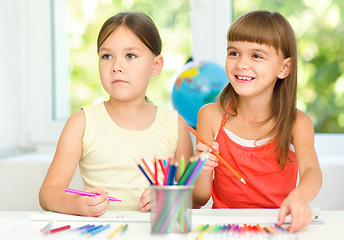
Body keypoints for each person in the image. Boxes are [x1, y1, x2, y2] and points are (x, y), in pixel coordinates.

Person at [39, 12, 193, 217]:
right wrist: (75, 203)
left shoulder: (175, 125)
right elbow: (48, 193)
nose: (116, 67)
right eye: (106, 56)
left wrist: (168, 198)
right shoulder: (82, 123)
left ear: (156, 66)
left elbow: (194, 199)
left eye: (130, 56)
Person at [192, 10, 322, 233]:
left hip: (277, 226)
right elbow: (200, 198)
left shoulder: (297, 122)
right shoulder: (210, 116)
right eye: (233, 53)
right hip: (224, 229)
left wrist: (299, 197)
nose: (241, 64)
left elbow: (311, 170)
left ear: (284, 68)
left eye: (257, 56)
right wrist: (201, 170)